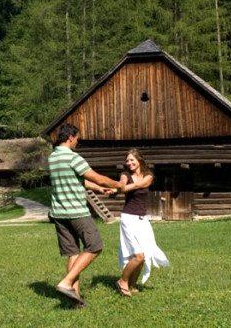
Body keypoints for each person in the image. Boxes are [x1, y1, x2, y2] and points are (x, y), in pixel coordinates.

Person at [48, 123, 122, 307]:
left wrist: (100, 189)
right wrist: (117, 184)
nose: (77, 143)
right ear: (70, 137)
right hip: (76, 212)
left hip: (59, 213)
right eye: (77, 139)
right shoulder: (72, 157)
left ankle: (75, 300)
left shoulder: (53, 158)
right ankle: (66, 282)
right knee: (95, 246)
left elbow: (78, 181)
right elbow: (95, 176)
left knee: (73, 253)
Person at [115, 149, 169, 297]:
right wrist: (121, 185)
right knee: (137, 256)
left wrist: (123, 188)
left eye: (132, 160)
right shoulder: (125, 175)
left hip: (142, 220)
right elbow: (122, 183)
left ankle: (131, 285)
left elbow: (140, 185)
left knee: (143, 255)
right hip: (128, 218)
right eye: (127, 160)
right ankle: (123, 281)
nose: (129, 163)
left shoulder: (148, 175)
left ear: (139, 160)